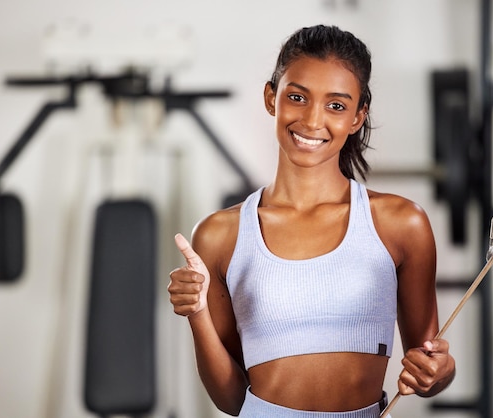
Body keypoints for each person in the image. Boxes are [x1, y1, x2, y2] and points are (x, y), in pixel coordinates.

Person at [168, 24, 456, 417]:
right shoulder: (221, 235)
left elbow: (427, 365)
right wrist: (197, 313)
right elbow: (233, 401)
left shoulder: (401, 225)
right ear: (272, 98)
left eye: (336, 105)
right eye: (297, 97)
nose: (312, 120)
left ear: (357, 116)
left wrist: (441, 371)